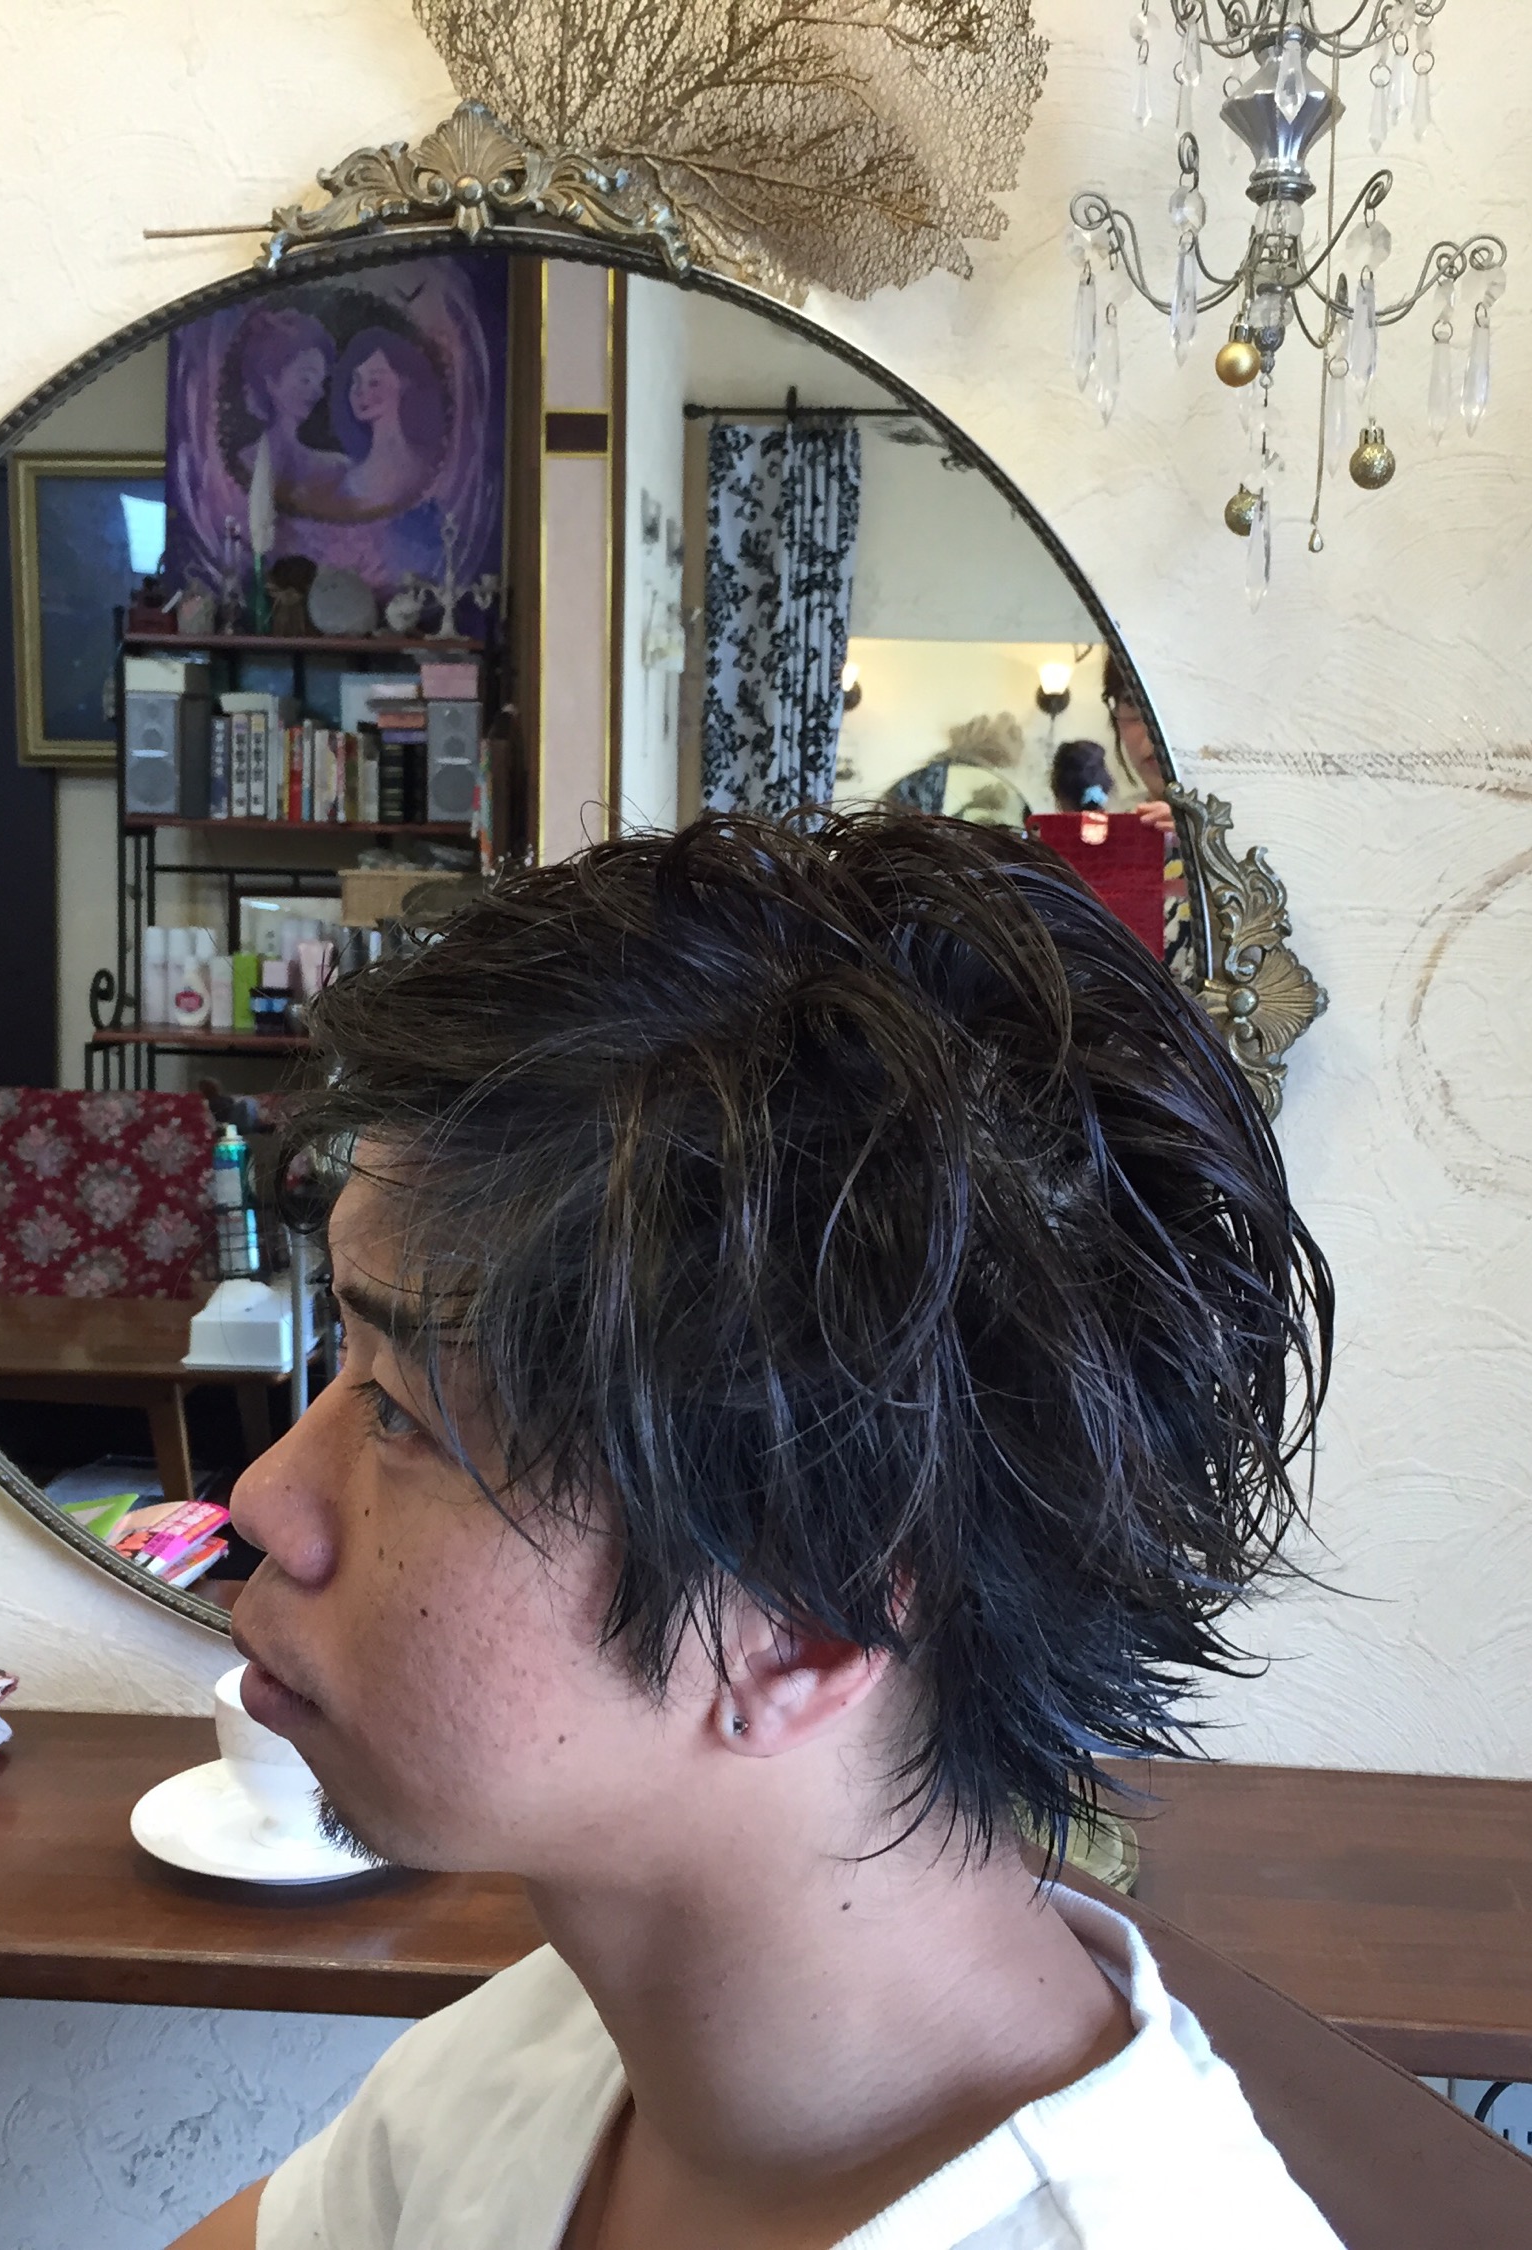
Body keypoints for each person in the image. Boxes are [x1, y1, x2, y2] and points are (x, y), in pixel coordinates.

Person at [173, 811, 1338, 2250]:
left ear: (802, 1624)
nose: (266, 1498)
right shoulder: (562, 2045)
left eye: (404, 1414)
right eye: (343, 1366)